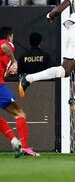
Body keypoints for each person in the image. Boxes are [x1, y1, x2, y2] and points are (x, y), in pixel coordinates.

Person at [0, 27, 39, 157]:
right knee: (19, 113)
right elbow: (5, 46)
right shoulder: (6, 43)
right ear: (9, 36)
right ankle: (24, 147)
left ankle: (14, 140)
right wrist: (14, 60)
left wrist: (8, 70)